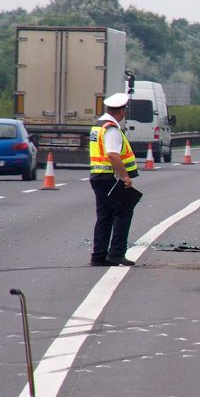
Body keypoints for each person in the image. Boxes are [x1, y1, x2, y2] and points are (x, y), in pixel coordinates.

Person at [89, 92, 140, 267]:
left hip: (98, 176)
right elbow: (113, 154)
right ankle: (117, 254)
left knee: (105, 216)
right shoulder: (111, 128)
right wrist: (125, 176)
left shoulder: (99, 125)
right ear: (121, 110)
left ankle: (99, 256)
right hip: (108, 177)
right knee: (124, 211)